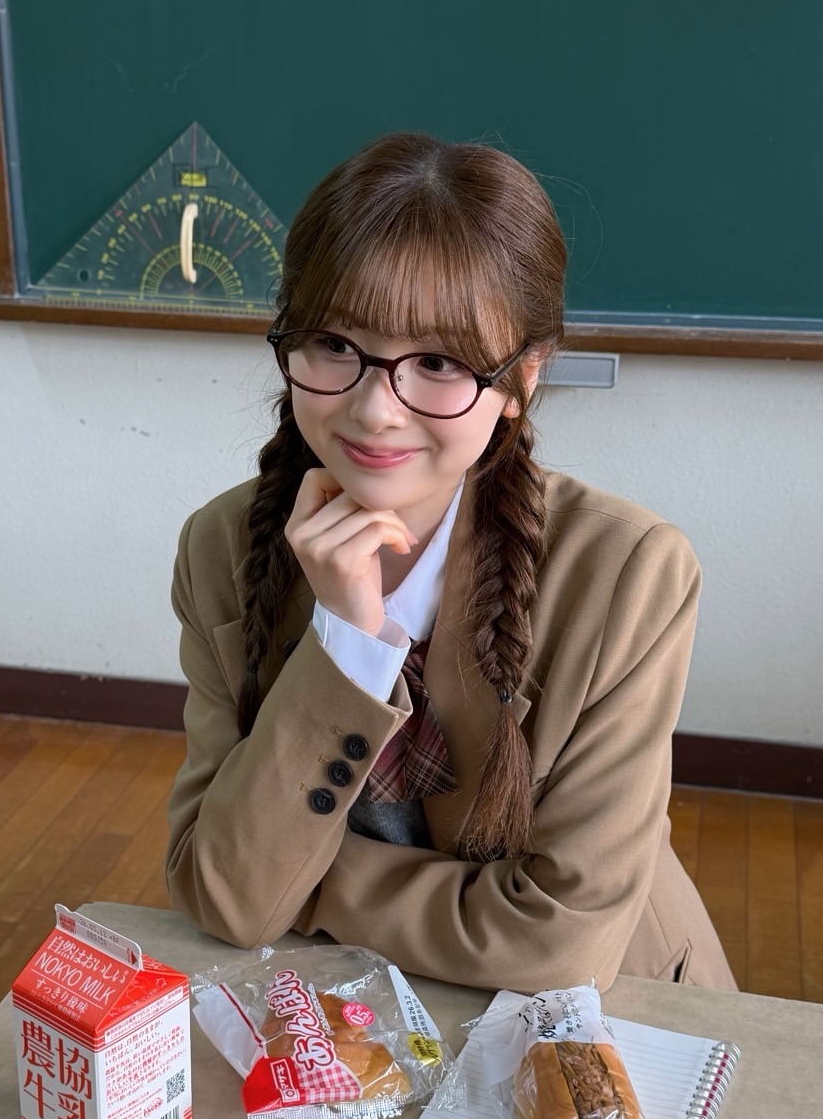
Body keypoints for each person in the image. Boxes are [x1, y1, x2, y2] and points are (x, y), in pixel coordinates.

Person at [165, 131, 735, 994]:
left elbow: (558, 946)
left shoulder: (627, 573)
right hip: (343, 1006)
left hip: (606, 1014)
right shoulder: (221, 549)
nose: (374, 410)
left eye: (436, 362)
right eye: (334, 344)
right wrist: (346, 642)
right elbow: (223, 898)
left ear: (524, 378)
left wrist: (305, 882)